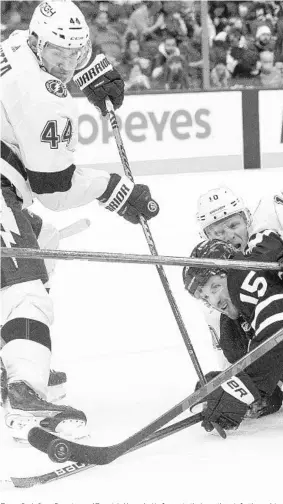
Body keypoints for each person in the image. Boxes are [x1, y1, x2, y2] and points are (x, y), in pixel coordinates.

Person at [0, 0, 159, 442]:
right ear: (38, 43)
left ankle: (13, 358)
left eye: (76, 51)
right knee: (25, 290)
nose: (67, 61)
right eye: (59, 53)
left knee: (43, 244)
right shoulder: (42, 97)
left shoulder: (15, 46)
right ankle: (25, 392)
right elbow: (53, 188)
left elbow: (61, 52)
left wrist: (89, 69)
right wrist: (115, 190)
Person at [193, 187, 283, 415]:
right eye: (217, 233)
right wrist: (242, 390)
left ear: (247, 218)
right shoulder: (221, 297)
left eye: (234, 225)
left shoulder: (272, 213)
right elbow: (238, 353)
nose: (228, 236)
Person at [183, 238, 283, 433]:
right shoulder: (233, 327)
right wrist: (249, 395)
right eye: (205, 297)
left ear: (228, 270)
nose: (215, 301)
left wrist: (244, 386)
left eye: (215, 287)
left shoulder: (241, 276)